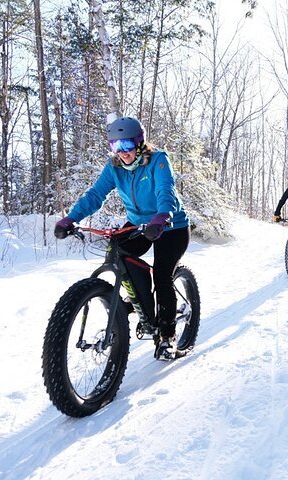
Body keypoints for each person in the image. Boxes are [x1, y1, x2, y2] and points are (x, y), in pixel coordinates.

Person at [54, 116, 189, 356]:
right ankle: (140, 301)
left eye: (127, 146)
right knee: (117, 251)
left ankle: (167, 336)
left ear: (139, 143)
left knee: (162, 274)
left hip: (170, 226)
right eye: (116, 146)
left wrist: (162, 216)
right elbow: (96, 195)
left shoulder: (157, 161)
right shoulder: (115, 167)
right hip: (139, 224)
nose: (122, 152)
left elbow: (164, 190)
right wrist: (72, 218)